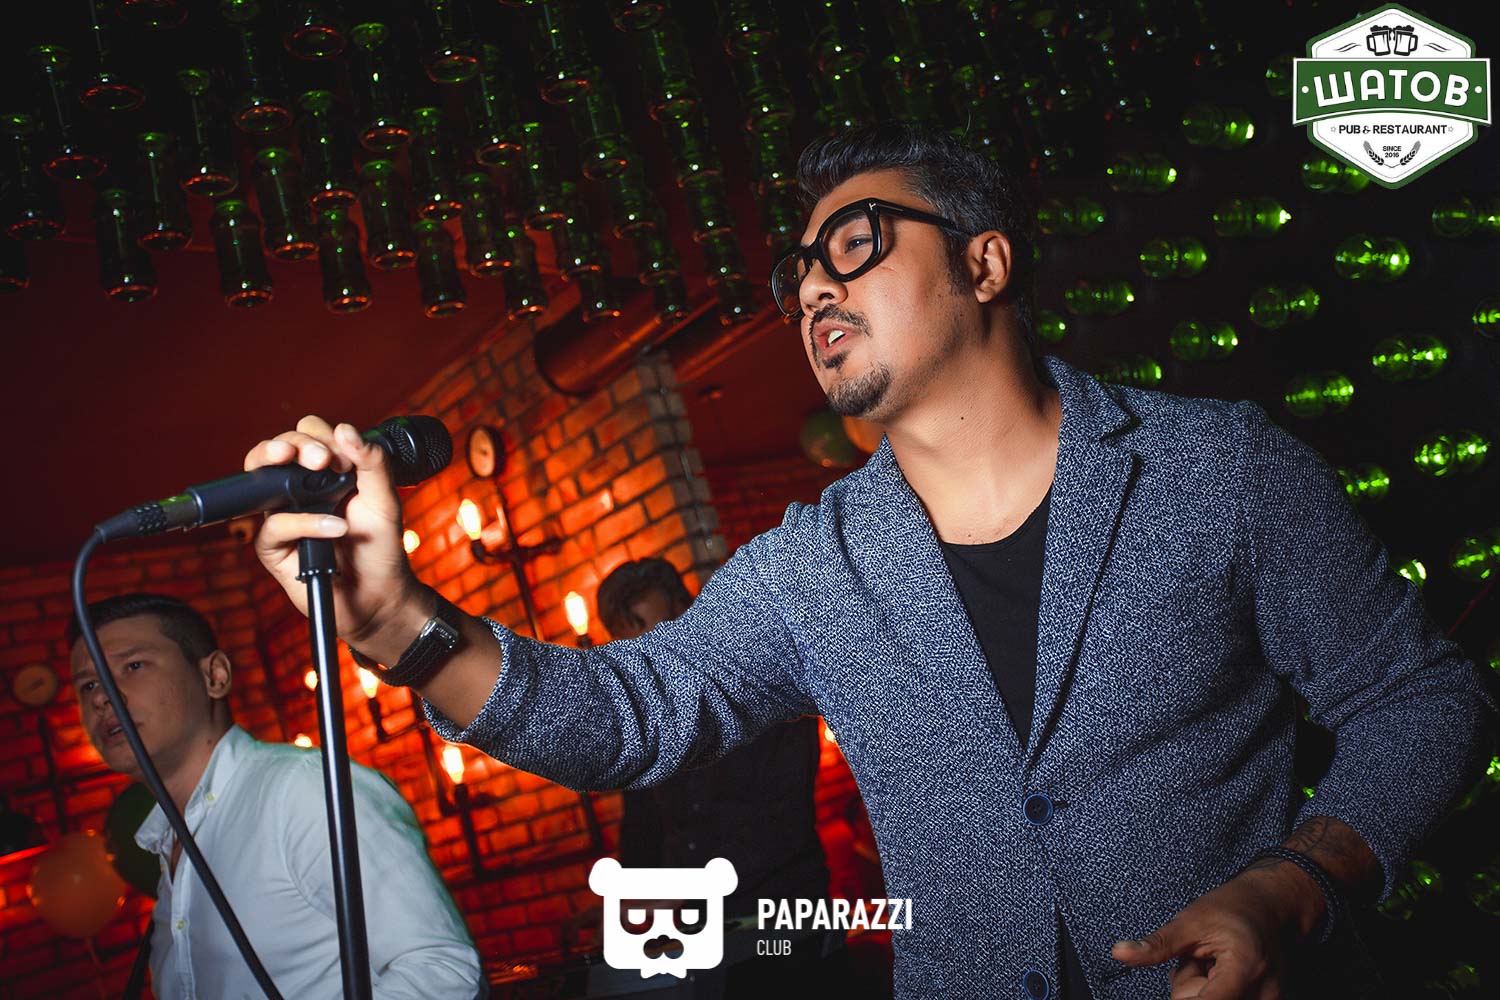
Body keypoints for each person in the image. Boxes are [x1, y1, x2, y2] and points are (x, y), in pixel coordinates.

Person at [242, 122, 1495, 999]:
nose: (811, 292)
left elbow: (1423, 699)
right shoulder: (811, 567)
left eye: (856, 244)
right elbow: (628, 712)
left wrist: (1293, 884)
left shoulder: (1217, 466)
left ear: (983, 262)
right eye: (797, 273)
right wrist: (394, 617)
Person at [68, 593, 485, 1000]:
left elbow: (446, 976)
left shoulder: (302, 791)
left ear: (215, 676)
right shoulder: (165, 844)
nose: (102, 696)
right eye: (88, 685)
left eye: (133, 666)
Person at [597, 558, 841, 994]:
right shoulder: (648, 721)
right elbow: (642, 832)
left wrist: (689, 887)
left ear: (685, 612)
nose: (642, 652)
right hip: (701, 932)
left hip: (784, 919)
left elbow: (785, 823)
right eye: (626, 640)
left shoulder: (758, 681)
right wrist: (628, 899)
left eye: (648, 632)